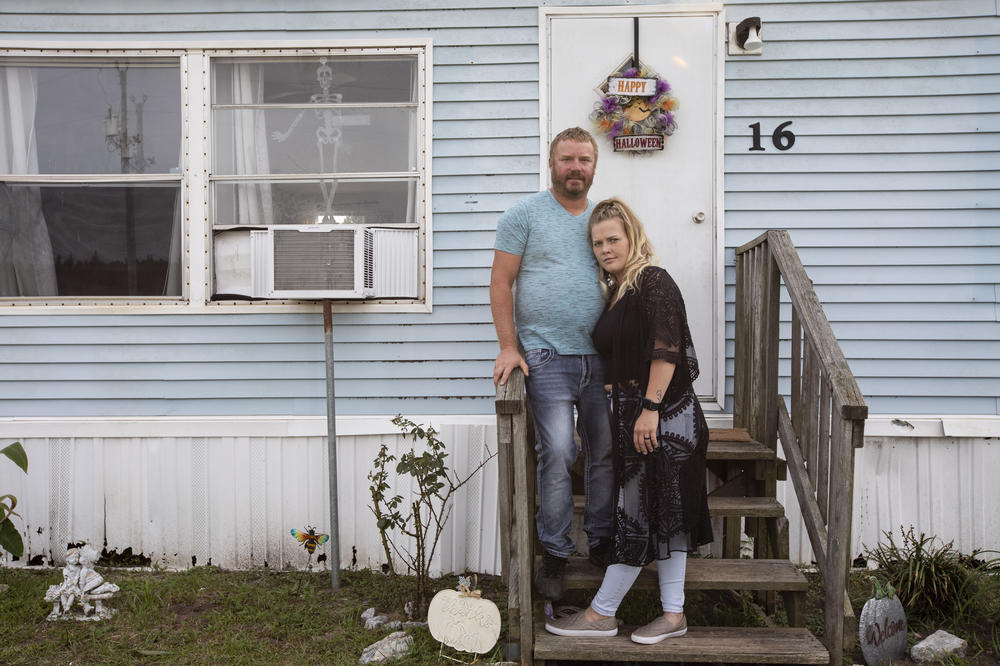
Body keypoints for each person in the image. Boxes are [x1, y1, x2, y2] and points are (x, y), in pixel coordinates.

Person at [544, 197, 713, 644]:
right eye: (597, 242)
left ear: (632, 236)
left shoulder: (652, 281)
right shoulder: (617, 290)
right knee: (665, 518)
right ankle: (673, 616)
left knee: (636, 515)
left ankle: (602, 614)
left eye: (613, 239)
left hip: (666, 420)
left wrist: (650, 409)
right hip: (638, 416)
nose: (604, 248)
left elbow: (667, 349)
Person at [490, 127, 614, 601]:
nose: (575, 168)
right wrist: (508, 346)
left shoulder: (605, 219)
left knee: (604, 453)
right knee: (560, 452)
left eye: (584, 160)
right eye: (567, 159)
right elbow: (501, 283)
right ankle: (556, 554)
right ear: (551, 162)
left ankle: (601, 543)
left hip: (602, 359)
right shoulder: (524, 214)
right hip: (545, 356)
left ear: (595, 166)